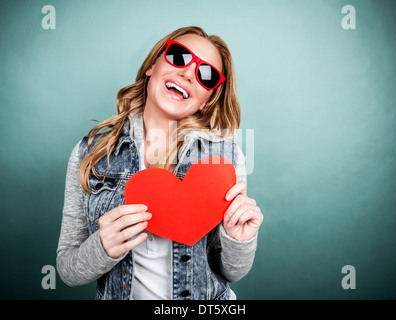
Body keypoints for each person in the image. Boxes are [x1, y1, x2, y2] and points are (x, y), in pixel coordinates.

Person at [57, 26, 263, 300]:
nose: (188, 73)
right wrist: (102, 248)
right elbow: (68, 269)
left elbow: (233, 272)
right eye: (179, 56)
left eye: (206, 75)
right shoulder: (90, 153)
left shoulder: (225, 158)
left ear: (207, 99)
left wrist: (240, 239)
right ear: (152, 66)